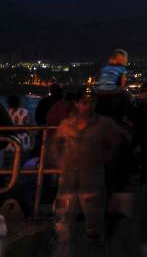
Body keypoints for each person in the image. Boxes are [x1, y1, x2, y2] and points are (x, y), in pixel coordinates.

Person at [53, 92, 131, 243]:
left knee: (92, 210)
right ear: (77, 103)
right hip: (70, 174)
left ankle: (93, 236)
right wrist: (60, 161)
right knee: (64, 208)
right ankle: (63, 236)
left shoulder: (103, 123)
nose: (88, 106)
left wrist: (105, 157)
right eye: (85, 102)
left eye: (91, 103)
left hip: (91, 173)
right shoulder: (66, 124)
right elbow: (57, 144)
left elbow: (118, 141)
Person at [131, 83, 147, 184]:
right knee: (145, 154)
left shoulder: (134, 102)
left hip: (135, 129)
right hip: (145, 129)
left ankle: (133, 172)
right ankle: (143, 178)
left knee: (132, 152)